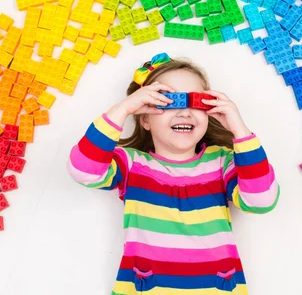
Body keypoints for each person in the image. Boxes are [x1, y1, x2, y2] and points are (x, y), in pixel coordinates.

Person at [67, 52, 280, 294]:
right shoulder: (132, 164)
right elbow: (82, 169)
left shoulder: (222, 162)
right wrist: (123, 109)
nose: (185, 112)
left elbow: (262, 201)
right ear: (144, 119)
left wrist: (239, 130)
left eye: (196, 103)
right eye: (168, 101)